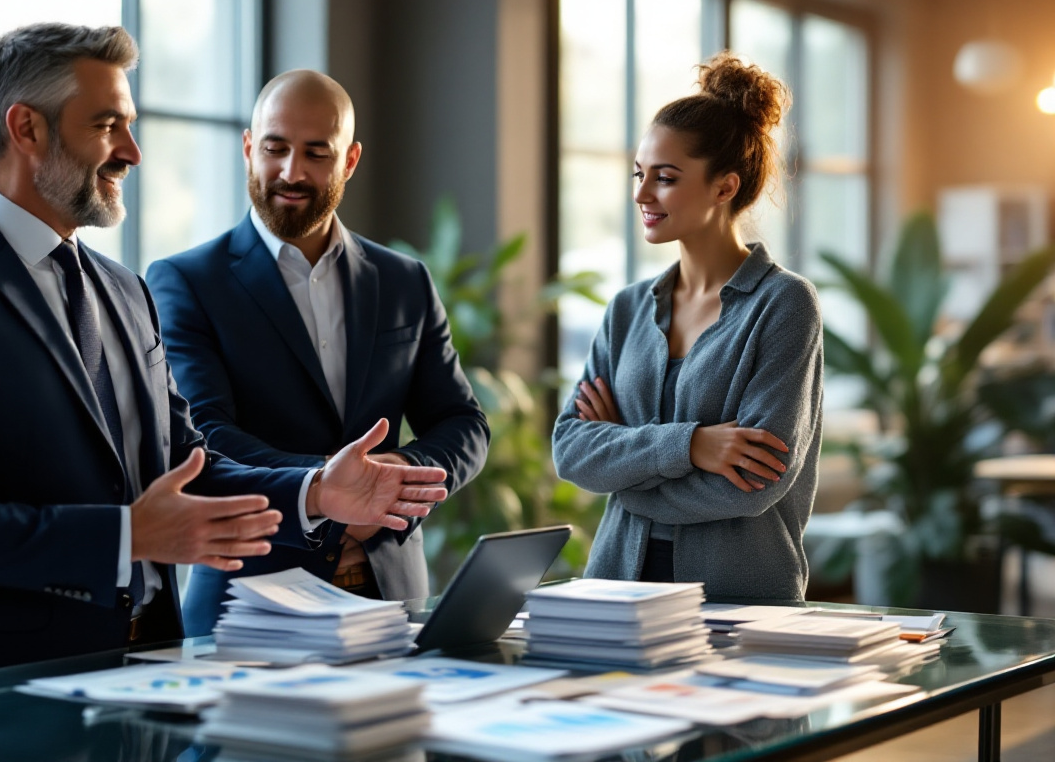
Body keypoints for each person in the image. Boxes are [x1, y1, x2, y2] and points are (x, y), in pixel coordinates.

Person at [0, 24, 449, 683]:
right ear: (26, 129)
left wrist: (317, 492)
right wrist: (127, 537)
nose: (131, 151)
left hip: (145, 679)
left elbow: (190, 464)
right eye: (108, 125)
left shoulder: (124, 290)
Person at [147, 70, 489, 635]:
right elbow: (206, 432)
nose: (292, 172)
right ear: (249, 148)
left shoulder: (405, 280)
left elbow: (462, 422)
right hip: (251, 604)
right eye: (276, 148)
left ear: (350, 160)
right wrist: (333, 491)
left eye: (317, 153)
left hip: (392, 599)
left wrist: (397, 475)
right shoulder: (184, 281)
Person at [551, 53, 823, 601]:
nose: (641, 194)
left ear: (725, 187)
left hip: (741, 601)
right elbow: (571, 450)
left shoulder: (785, 304)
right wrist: (692, 446)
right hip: (616, 592)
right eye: (639, 173)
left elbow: (755, 484)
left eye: (665, 178)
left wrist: (626, 470)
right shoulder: (627, 309)